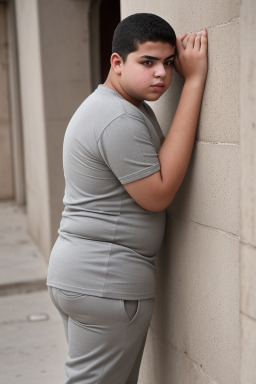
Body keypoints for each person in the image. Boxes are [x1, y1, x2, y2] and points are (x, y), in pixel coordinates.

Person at [47, 13, 208, 384]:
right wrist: (195, 81)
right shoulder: (117, 117)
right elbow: (159, 193)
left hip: (87, 276)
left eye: (169, 63)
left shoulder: (120, 108)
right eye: (147, 62)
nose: (162, 74)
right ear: (116, 62)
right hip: (103, 282)